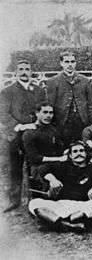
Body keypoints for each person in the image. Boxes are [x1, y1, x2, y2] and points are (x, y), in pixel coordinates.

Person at [28, 141, 92, 232]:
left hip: (83, 205)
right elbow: (42, 169)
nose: (78, 153)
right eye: (75, 152)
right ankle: (66, 225)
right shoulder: (63, 166)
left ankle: (58, 223)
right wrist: (53, 180)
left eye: (81, 151)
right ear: (70, 155)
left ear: (86, 153)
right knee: (34, 203)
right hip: (62, 204)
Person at [0, 60, 46, 212]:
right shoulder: (8, 91)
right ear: (16, 72)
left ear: (31, 71)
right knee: (16, 167)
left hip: (34, 134)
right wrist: (20, 125)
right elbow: (3, 113)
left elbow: (43, 109)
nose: (24, 72)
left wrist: (38, 124)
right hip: (16, 134)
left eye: (27, 69)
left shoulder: (38, 90)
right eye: (21, 69)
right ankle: (14, 200)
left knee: (35, 165)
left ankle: (36, 197)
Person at [46, 51, 92, 146]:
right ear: (61, 63)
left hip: (82, 121)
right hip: (62, 123)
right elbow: (50, 104)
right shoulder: (53, 81)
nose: (70, 65)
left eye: (72, 62)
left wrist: (91, 123)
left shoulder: (85, 81)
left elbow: (91, 104)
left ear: (75, 63)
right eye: (66, 62)